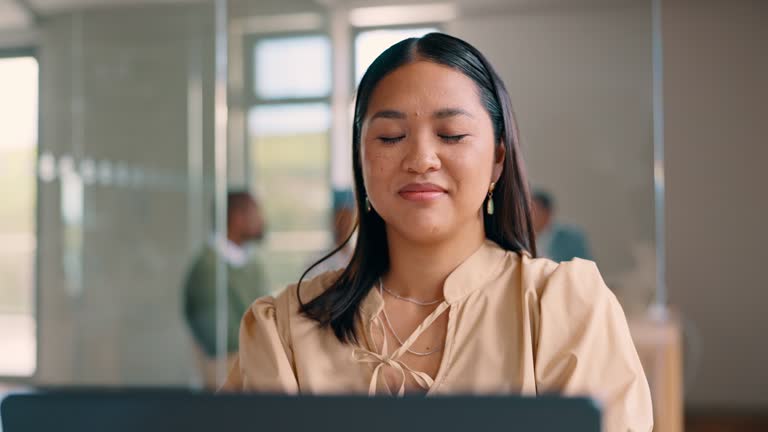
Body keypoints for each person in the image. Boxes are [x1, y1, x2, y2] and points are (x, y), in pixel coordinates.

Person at [223, 33, 652, 431]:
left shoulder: (563, 309)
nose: (421, 158)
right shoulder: (283, 329)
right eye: (391, 137)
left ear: (498, 159)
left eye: (452, 134)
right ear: (360, 160)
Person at [183, 191, 270, 388]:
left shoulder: (251, 262)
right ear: (237, 219)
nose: (262, 220)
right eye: (256, 213)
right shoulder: (207, 267)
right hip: (228, 374)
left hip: (251, 367)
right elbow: (217, 338)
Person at [304, 189, 357, 278]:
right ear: (332, 220)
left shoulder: (358, 259)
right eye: (340, 217)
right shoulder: (316, 262)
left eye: (347, 218)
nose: (343, 224)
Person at [531, 189, 593, 262]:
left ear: (547, 212)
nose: (530, 216)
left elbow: (584, 267)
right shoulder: (522, 237)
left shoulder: (572, 238)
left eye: (534, 211)